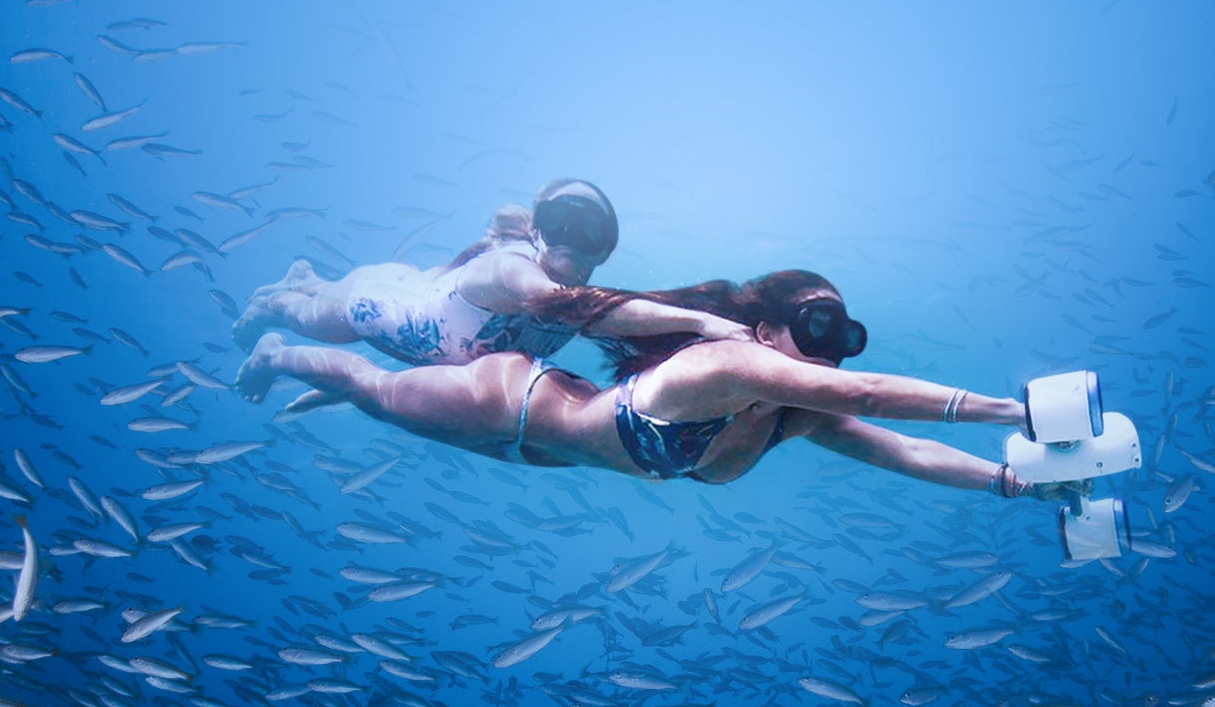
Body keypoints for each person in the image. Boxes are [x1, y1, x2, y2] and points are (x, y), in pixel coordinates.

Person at [235, 268, 1057, 498]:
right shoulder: (725, 362)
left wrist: (1014, 481)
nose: (832, 353)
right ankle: (279, 345)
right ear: (766, 330)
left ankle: (312, 350)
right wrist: (1019, 410)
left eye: (845, 337)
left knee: (372, 402)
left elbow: (904, 452)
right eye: (817, 329)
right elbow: (872, 396)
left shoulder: (792, 414)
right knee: (368, 388)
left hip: (548, 459)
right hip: (507, 399)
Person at [230, 179, 746, 364]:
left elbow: (613, 316)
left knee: (322, 299)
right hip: (375, 304)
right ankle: (275, 300)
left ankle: (308, 276)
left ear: (604, 249)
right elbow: (574, 309)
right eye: (561, 223)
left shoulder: (575, 297)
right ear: (539, 229)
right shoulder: (513, 269)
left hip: (423, 288)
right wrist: (701, 322)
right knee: (310, 319)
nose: (573, 239)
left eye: (591, 234)